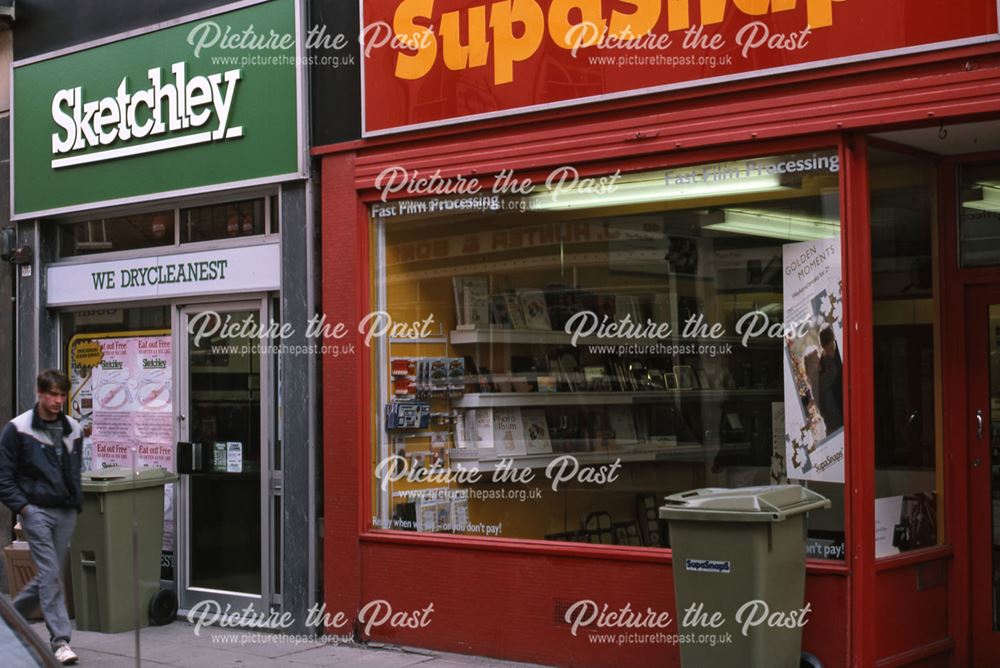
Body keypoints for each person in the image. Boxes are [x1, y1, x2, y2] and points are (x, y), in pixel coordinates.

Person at [0, 369, 83, 665]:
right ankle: (60, 641)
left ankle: (7, 623)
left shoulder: (73, 427)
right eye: (53, 395)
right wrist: (24, 508)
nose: (58, 400)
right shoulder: (18, 428)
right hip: (36, 512)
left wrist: (75, 503)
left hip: (65, 512)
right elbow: (3, 475)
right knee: (50, 573)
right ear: (40, 393)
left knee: (48, 576)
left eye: (62, 394)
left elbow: (74, 469)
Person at [817, 324, 844, 434]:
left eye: (831, 348)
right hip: (834, 400)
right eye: (827, 350)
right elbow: (822, 385)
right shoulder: (823, 360)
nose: (830, 352)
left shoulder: (841, 351)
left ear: (834, 340)